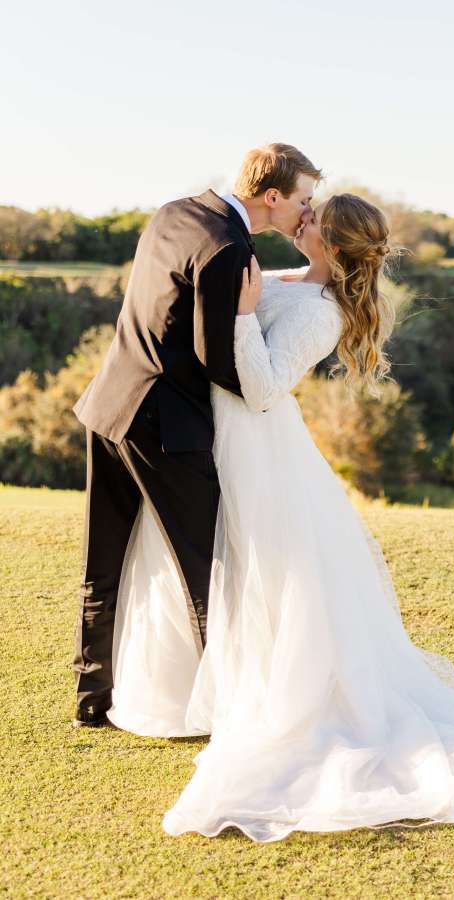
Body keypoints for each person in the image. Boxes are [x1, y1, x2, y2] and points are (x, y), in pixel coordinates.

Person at [104, 193, 454, 841]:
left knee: (261, 569)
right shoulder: (284, 277)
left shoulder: (321, 312)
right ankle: (196, 691)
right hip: (219, 434)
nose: (303, 215)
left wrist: (242, 316)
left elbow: (265, 388)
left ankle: (274, 697)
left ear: (333, 244)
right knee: (223, 563)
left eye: (315, 216)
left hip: (257, 443)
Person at [70, 143, 320, 728]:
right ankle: (231, 711)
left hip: (109, 403)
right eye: (304, 199)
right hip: (167, 427)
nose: (308, 210)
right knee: (206, 571)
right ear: (273, 196)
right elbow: (216, 358)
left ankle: (90, 699)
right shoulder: (230, 247)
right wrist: (261, 390)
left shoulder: (175, 211)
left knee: (102, 563)